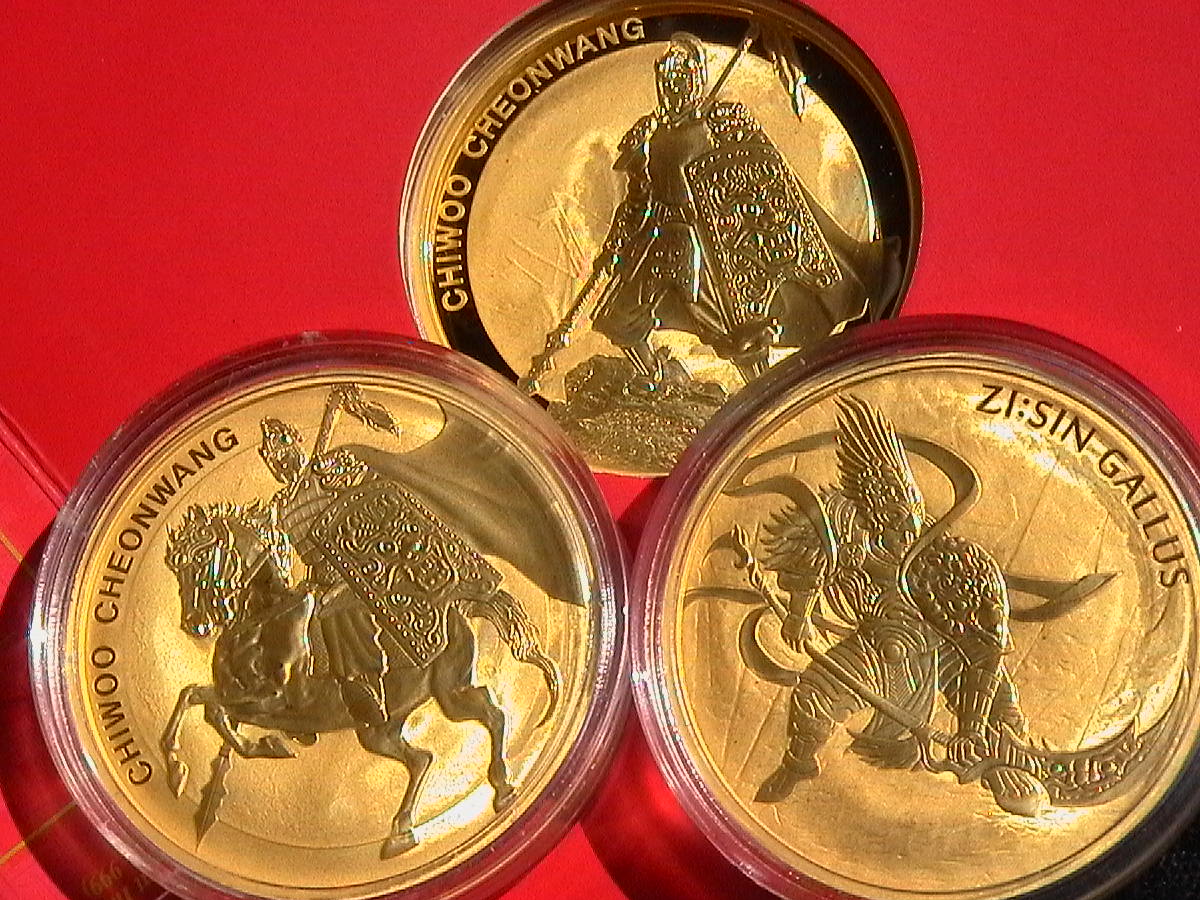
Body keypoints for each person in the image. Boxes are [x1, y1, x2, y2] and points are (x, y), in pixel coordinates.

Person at [747, 396, 1046, 815]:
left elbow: (986, 651)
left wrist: (971, 727)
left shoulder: (952, 561)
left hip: (942, 647)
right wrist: (799, 613)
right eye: (889, 515)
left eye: (907, 515)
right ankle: (798, 764)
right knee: (814, 695)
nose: (902, 526)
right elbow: (809, 553)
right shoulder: (844, 525)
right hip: (876, 644)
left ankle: (1006, 767)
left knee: (1000, 702)